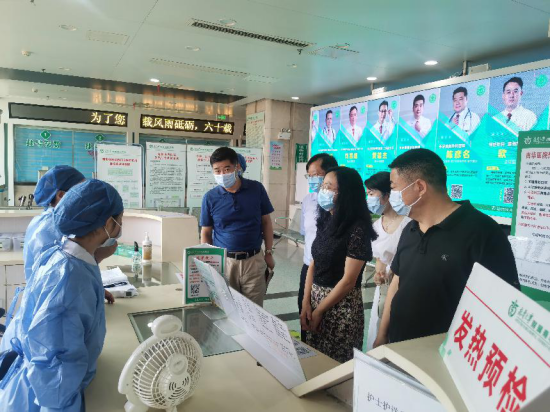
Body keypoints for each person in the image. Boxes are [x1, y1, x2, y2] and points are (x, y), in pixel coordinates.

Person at [374, 149, 520, 348]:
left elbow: (502, 305)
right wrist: (382, 335)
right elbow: (398, 281)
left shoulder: (483, 232)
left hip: (445, 354)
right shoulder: (410, 228)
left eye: (394, 188)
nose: (392, 197)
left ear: (419, 187)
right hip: (399, 346)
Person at [0, 179, 124, 412]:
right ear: (109, 223)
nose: (120, 227)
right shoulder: (69, 280)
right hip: (41, 399)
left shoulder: (65, 253)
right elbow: (55, 374)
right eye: (119, 220)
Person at [301, 167, 377, 363]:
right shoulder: (326, 218)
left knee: (336, 364)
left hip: (341, 307)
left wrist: (319, 311)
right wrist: (306, 302)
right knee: (315, 360)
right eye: (323, 185)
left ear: (346, 193)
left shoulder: (357, 229)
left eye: (329, 186)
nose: (323, 190)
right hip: (316, 298)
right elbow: (314, 263)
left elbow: (348, 281)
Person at [201, 147, 275, 307]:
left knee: (254, 310)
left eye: (227, 169)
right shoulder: (210, 198)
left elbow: (266, 222)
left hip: (254, 260)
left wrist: (269, 252)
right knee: (227, 309)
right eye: (217, 170)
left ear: (237, 167)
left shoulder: (256, 189)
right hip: (225, 262)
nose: (222, 174)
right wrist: (210, 262)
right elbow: (206, 232)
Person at [365, 172, 411, 335]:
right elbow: (380, 259)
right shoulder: (377, 225)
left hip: (403, 288)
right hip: (384, 290)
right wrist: (379, 274)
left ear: (387, 195)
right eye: (367, 194)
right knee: (377, 328)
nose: (368, 198)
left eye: (372, 193)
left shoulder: (408, 223)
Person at [299, 154, 339, 340]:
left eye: (316, 174)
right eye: (309, 175)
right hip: (309, 265)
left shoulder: (341, 206)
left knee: (329, 324)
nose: (312, 179)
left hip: (333, 270)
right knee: (304, 313)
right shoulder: (308, 200)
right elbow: (305, 233)